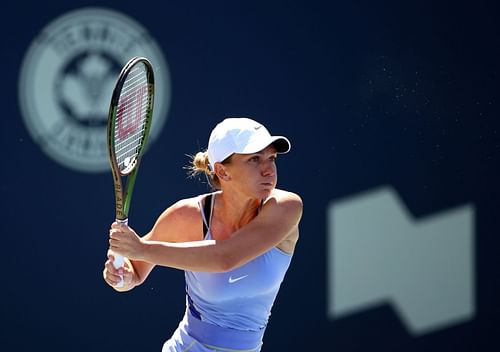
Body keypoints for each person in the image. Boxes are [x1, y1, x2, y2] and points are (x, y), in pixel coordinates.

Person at [104, 117, 303, 352]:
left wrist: (142, 249)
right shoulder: (186, 216)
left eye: (272, 158)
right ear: (222, 171)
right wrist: (122, 275)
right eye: (254, 159)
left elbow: (225, 257)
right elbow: (134, 271)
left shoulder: (286, 207)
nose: (269, 169)